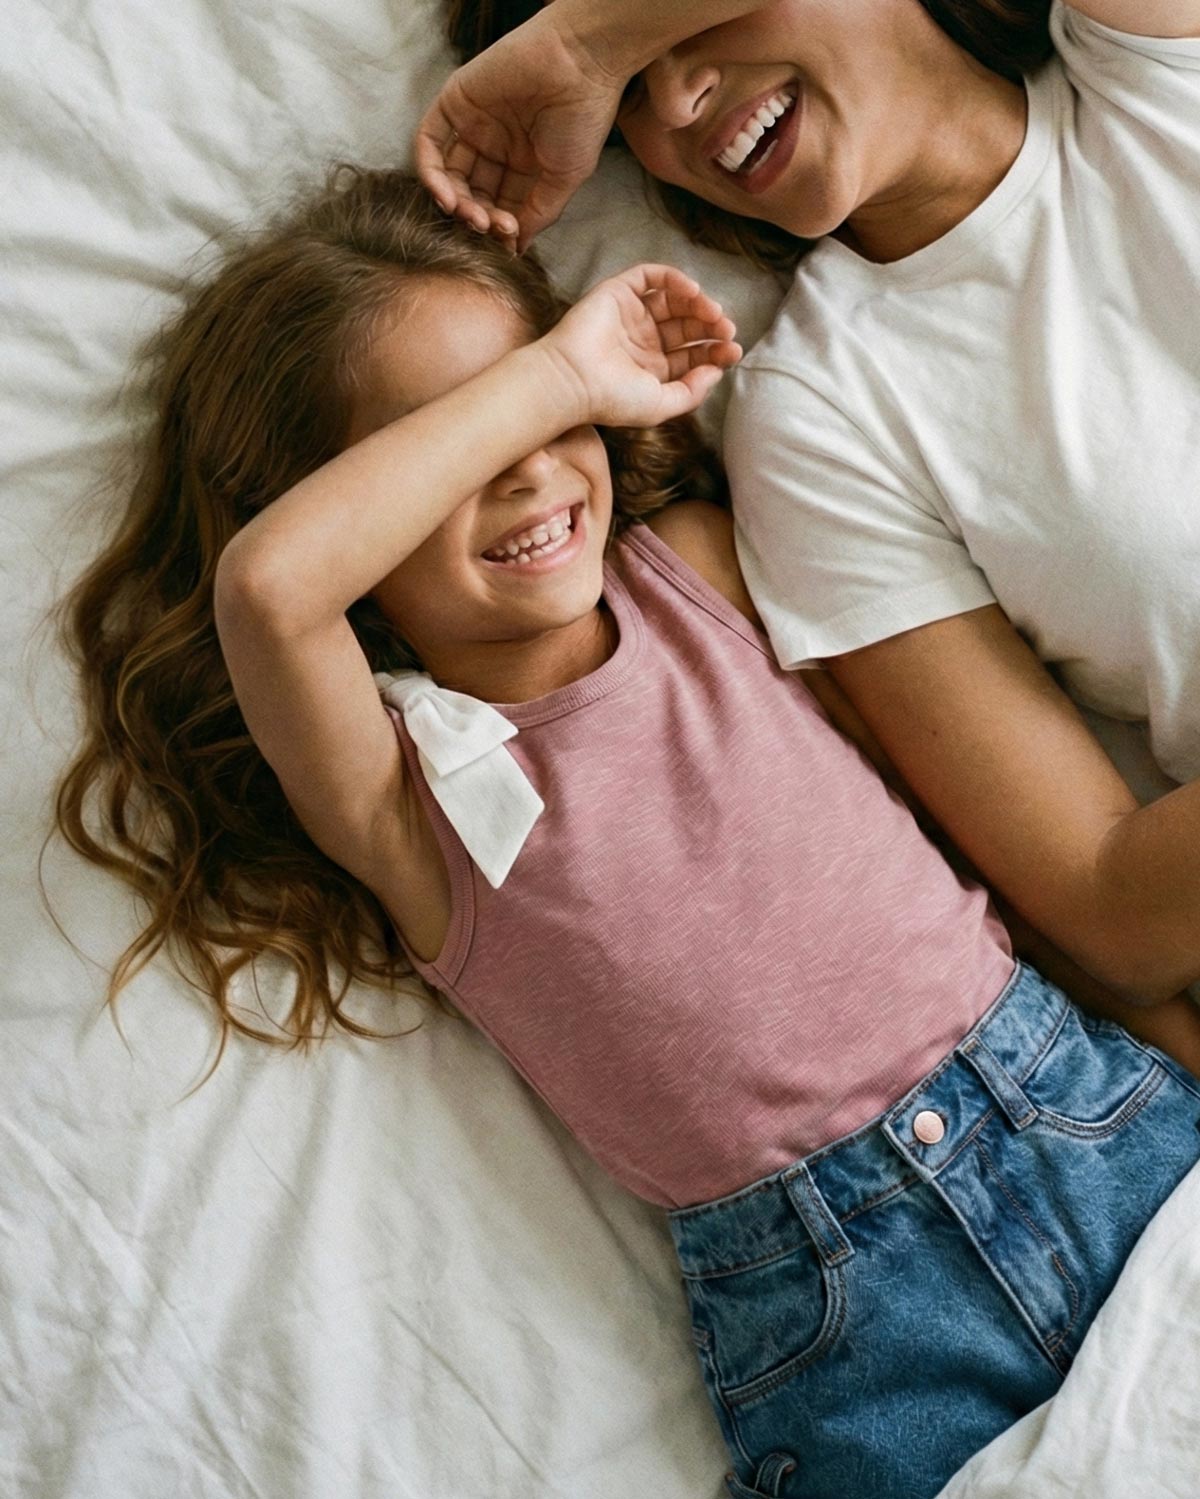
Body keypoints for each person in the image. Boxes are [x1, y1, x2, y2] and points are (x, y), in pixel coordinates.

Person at [52, 166, 1200, 1498]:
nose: (527, 464)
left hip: (1077, 1105)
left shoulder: (698, 568)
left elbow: (966, 834)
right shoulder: (406, 799)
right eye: (452, 440)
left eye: (549, 412)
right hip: (844, 1307)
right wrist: (550, 374)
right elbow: (268, 586)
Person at [420, 0, 1200, 1005]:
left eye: (653, 22)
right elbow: (1107, 905)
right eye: (628, 97)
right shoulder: (817, 417)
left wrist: (582, 47)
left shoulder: (1150, 61)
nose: (676, 101)